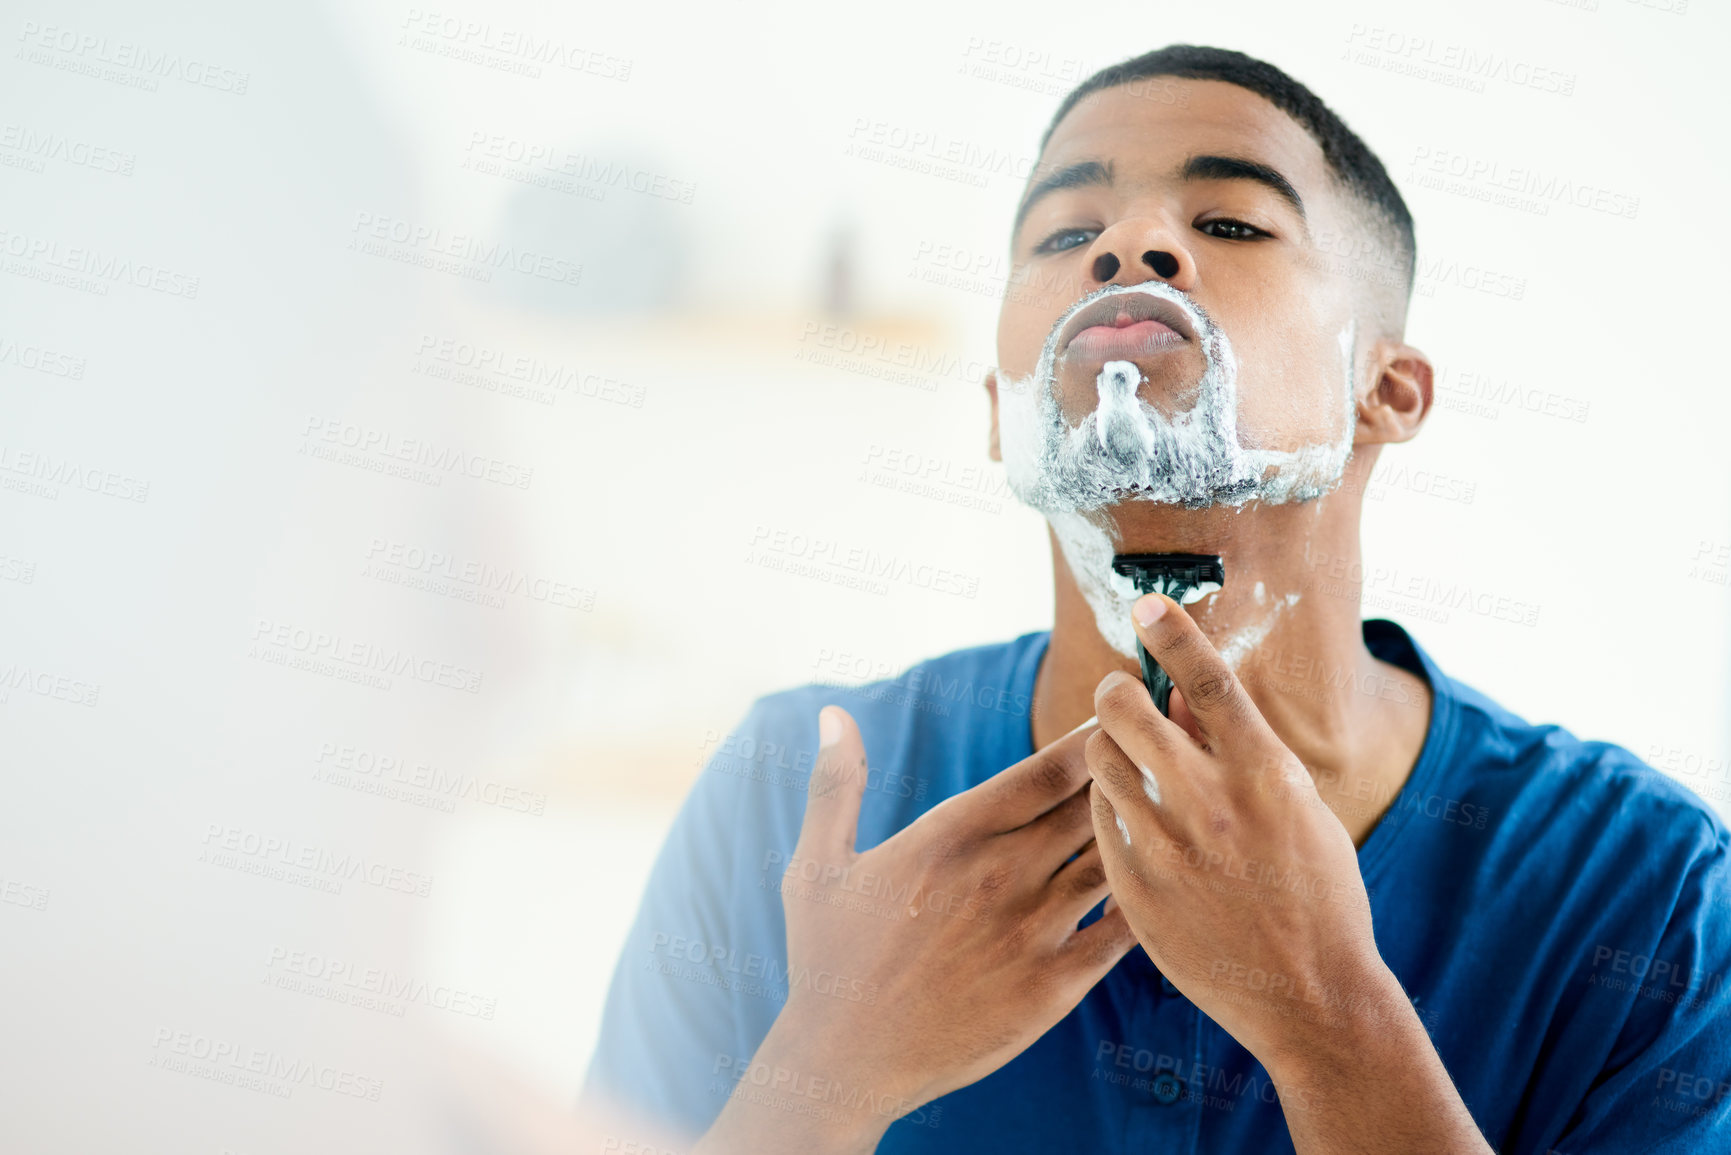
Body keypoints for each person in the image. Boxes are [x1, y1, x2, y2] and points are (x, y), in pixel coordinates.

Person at [582, 45, 1731, 1153]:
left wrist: (1330, 1016)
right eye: (1066, 233)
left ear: (1387, 388)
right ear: (1002, 409)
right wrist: (827, 1077)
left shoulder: (1654, 897)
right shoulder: (789, 806)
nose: (1129, 243)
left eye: (1230, 221)